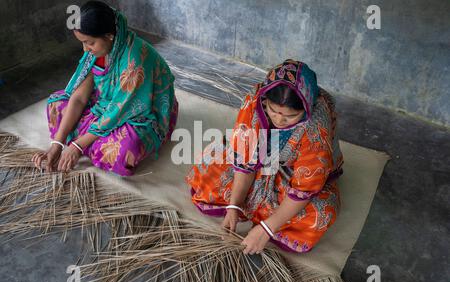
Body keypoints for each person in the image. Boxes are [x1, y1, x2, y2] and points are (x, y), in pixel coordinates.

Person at [186, 59, 343, 255]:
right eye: (273, 111)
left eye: (289, 116)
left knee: (322, 212)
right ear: (265, 99)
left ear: (305, 109)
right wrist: (234, 205)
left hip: (292, 174)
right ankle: (251, 209)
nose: (278, 120)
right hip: (260, 161)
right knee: (210, 164)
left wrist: (267, 228)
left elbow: (304, 187)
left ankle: (268, 220)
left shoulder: (316, 127)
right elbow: (244, 160)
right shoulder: (255, 100)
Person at [32, 1, 178, 176]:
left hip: (140, 112)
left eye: (89, 43)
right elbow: (79, 97)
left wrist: (78, 145)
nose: (86, 49)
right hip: (107, 104)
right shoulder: (98, 50)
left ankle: (85, 142)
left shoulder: (135, 59)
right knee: (56, 105)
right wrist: (57, 144)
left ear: (109, 36)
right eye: (83, 43)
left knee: (125, 150)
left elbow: (120, 110)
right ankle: (91, 143)